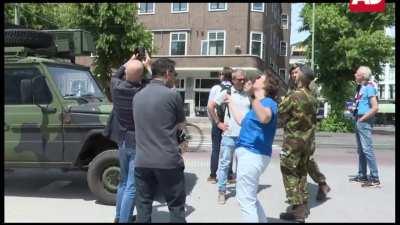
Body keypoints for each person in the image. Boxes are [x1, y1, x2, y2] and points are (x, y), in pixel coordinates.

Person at [133, 58, 187, 223]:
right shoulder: (172, 95)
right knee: (176, 207)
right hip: (167, 160)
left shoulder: (137, 96)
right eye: (174, 74)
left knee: (143, 207)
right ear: (167, 73)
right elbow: (181, 125)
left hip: (142, 161)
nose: (175, 78)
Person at [103, 52, 151, 223]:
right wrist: (147, 66)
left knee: (123, 182)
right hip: (137, 142)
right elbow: (154, 83)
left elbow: (117, 74)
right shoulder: (142, 91)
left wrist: (129, 61)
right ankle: (125, 220)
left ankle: (118, 216)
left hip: (122, 140)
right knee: (132, 185)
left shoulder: (116, 86)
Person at [226, 72, 279, 222]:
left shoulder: (268, 102)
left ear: (267, 85)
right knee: (249, 197)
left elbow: (265, 117)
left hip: (253, 153)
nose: (255, 79)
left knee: (244, 199)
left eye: (259, 78)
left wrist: (252, 96)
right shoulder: (256, 104)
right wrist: (230, 102)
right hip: (249, 154)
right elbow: (242, 120)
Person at [278, 65, 318, 222]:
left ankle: (297, 209)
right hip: (307, 141)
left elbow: (280, 112)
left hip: (293, 141)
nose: (293, 76)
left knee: (289, 172)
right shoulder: (312, 96)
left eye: (296, 73)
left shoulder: (294, 95)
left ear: (302, 76)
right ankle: (303, 204)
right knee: (301, 172)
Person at [287, 64, 331, 202]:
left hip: (305, 133)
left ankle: (320, 185)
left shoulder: (309, 88)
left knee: (306, 162)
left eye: (296, 72)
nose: (294, 75)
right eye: (292, 73)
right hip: (295, 133)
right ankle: (301, 197)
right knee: (301, 163)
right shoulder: (292, 89)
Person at [210, 69, 250, 204]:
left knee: (243, 166)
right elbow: (211, 106)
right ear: (233, 80)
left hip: (244, 136)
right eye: (240, 79)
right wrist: (218, 123)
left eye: (244, 78)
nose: (243, 81)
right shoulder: (226, 93)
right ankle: (222, 191)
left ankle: (241, 192)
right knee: (225, 164)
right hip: (229, 134)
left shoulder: (247, 94)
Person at [348, 66, 380, 187]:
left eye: (357, 73)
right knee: (361, 150)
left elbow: (375, 107)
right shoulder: (360, 87)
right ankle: (362, 175)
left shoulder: (369, 87)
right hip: (359, 119)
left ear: (362, 75)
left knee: (367, 149)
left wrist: (362, 118)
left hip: (364, 120)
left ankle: (375, 178)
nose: (355, 74)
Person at [206, 67, 235, 184]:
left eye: (220, 74)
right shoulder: (234, 89)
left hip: (218, 123)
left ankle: (213, 175)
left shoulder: (215, 88)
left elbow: (210, 107)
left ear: (222, 75)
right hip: (230, 123)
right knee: (229, 148)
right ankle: (229, 175)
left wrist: (214, 121)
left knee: (216, 149)